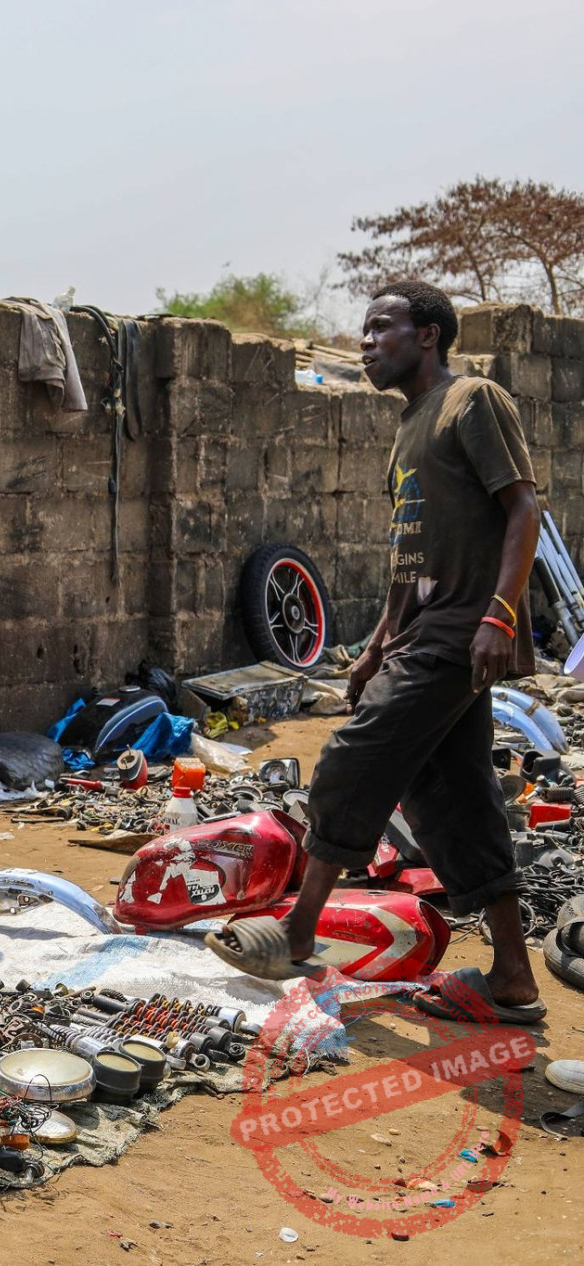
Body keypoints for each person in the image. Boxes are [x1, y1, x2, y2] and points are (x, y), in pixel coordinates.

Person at [209, 281, 545, 1024]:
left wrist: (500, 611)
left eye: (381, 328)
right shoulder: (407, 428)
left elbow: (524, 506)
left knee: (350, 761)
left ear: (428, 336)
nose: (366, 343)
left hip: (462, 630)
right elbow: (407, 554)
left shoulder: (473, 401)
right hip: (423, 633)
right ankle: (515, 977)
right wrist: (376, 646)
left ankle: (299, 932)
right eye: (362, 331)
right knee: (451, 797)